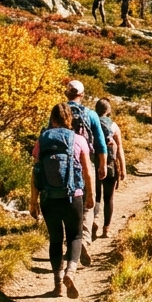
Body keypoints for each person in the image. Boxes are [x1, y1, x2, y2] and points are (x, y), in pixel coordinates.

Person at [30, 102, 94, 299]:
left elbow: (35, 171)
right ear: (70, 119)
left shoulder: (43, 139)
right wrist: (90, 195)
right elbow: (87, 172)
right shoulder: (78, 140)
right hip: (73, 196)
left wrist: (33, 201)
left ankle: (57, 283)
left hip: (49, 198)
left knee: (55, 239)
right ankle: (70, 272)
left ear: (52, 118)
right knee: (74, 236)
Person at [65, 80, 108, 264]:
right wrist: (102, 165)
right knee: (87, 202)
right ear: (81, 95)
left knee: (67, 203)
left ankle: (70, 243)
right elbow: (100, 143)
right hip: (85, 164)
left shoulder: (59, 111)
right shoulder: (90, 114)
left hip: (63, 165)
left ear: (67, 94)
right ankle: (83, 239)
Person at [93, 98, 126, 240]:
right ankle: (106, 229)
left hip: (94, 164)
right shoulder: (113, 126)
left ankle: (93, 220)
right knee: (109, 197)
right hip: (110, 165)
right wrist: (123, 168)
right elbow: (119, 149)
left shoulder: (91, 124)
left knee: (96, 196)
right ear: (108, 110)